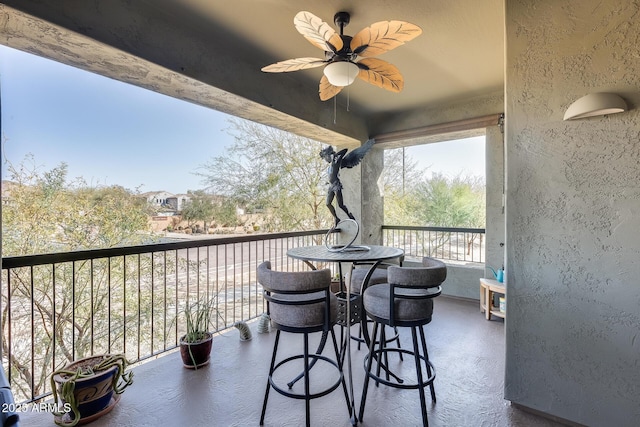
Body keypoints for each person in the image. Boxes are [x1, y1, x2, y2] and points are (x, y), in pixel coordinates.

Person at [320, 139, 375, 226]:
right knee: (328, 203)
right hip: (331, 186)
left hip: (336, 186)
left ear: (328, 155)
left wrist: (334, 155)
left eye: (325, 157)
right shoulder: (329, 166)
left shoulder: (336, 162)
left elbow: (344, 150)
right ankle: (336, 218)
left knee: (340, 205)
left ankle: (350, 215)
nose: (325, 160)